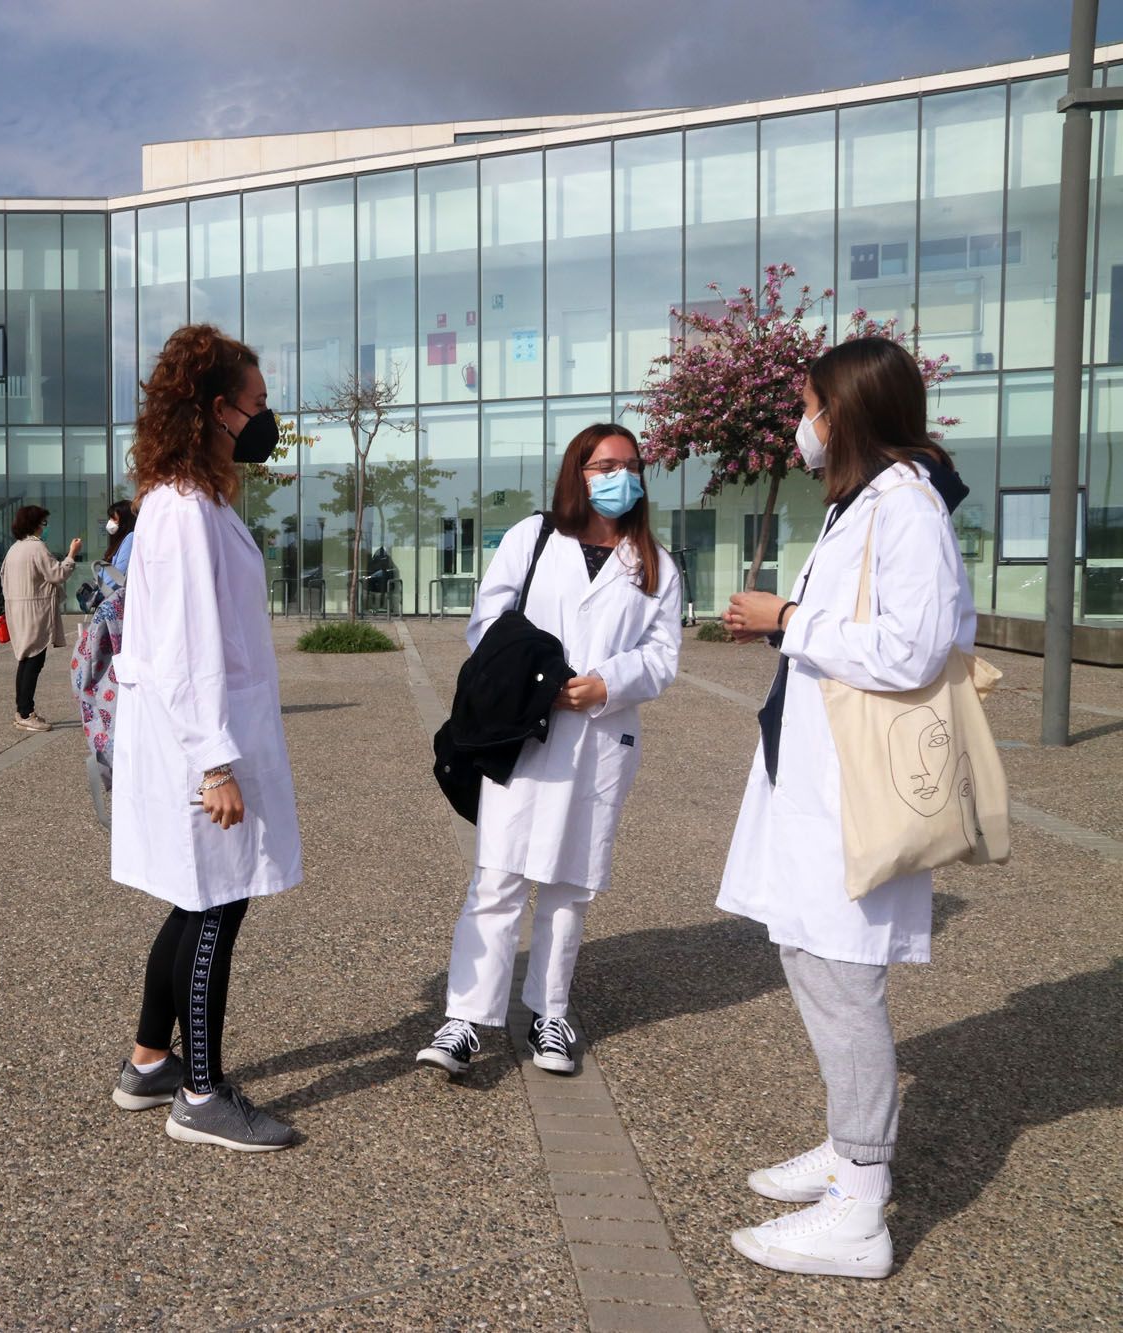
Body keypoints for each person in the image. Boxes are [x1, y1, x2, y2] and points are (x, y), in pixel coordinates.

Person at [715, 337, 975, 1281]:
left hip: (855, 791)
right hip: (820, 778)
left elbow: (914, 648)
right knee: (810, 953)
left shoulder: (904, 507)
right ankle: (846, 1144)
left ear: (849, 410)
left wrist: (786, 620)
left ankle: (861, 1204)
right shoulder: (865, 502)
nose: (804, 422)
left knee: (842, 970)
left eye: (812, 404)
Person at [416, 423, 680, 1082]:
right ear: (577, 472)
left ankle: (549, 1011)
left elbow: (663, 657)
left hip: (599, 737)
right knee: (498, 874)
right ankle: (466, 1018)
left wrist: (607, 683)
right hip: (526, 732)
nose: (617, 474)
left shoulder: (655, 562)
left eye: (629, 464)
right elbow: (486, 622)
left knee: (571, 882)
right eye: (602, 464)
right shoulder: (532, 539)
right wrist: (541, 680)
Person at [108, 323, 303, 1152]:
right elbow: (186, 644)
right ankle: (199, 1091)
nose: (267, 419)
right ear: (220, 410)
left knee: (196, 899)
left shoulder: (191, 498)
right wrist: (214, 762)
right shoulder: (184, 508)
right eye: (257, 404)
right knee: (219, 902)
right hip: (203, 739)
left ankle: (150, 1063)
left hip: (205, 730)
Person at [0, 505, 82, 732]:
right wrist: (71, 555)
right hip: (34, 611)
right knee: (34, 661)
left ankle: (23, 710)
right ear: (35, 524)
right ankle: (26, 712)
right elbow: (57, 573)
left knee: (25, 660)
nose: (45, 528)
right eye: (44, 523)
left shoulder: (14, 549)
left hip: (17, 610)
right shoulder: (37, 548)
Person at [97, 499, 136, 599]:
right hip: (108, 594)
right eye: (110, 518)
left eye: (114, 519)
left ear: (124, 520)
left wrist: (101, 590)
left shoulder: (130, 538)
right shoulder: (118, 540)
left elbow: (119, 571)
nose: (110, 522)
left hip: (113, 596)